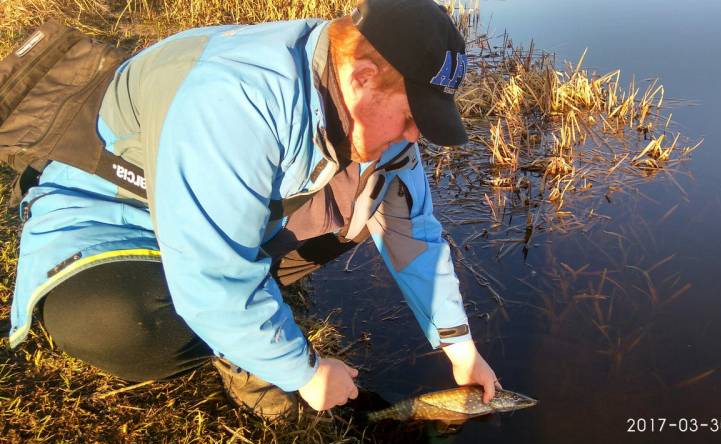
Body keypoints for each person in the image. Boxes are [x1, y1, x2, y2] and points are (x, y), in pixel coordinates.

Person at [7, 0, 500, 418]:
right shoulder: (233, 99)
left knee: (363, 195)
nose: (416, 136)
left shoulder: (372, 119)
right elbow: (210, 277)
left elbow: (414, 234)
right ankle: (243, 347)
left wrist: (460, 347)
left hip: (215, 216)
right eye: (412, 116)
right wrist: (304, 371)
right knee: (122, 323)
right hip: (113, 216)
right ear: (364, 77)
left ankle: (250, 324)